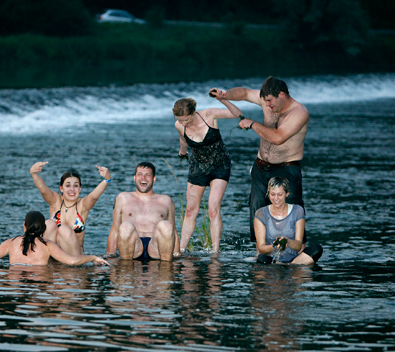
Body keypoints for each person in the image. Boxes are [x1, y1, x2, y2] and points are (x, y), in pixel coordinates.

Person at [210, 77, 309, 242]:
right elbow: (245, 93)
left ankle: (297, 254)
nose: (268, 105)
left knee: (290, 213)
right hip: (261, 166)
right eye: (265, 101)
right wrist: (226, 95)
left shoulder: (299, 112)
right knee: (257, 212)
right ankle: (260, 253)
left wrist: (252, 124)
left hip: (286, 168)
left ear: (282, 95)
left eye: (270, 101)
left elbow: (278, 138)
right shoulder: (268, 100)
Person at [173, 96, 242, 253]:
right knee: (190, 210)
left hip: (220, 165)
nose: (183, 123)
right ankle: (181, 249)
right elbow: (183, 139)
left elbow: (237, 113)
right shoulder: (179, 125)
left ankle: (215, 251)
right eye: (180, 120)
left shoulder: (209, 115)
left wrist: (223, 99)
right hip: (198, 166)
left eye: (186, 120)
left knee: (213, 208)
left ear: (193, 113)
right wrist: (182, 151)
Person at [30, 162, 111, 255]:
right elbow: (43, 190)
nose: (72, 189)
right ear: (61, 188)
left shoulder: (83, 205)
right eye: (68, 185)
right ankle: (47, 261)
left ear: (80, 189)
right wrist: (34, 174)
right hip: (54, 254)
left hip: (74, 257)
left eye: (76, 185)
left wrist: (107, 179)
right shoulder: (55, 201)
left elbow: (94, 196)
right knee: (49, 224)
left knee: (64, 230)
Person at [106, 162, 181, 261]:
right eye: (140, 174)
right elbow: (115, 229)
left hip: (157, 248)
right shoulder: (122, 198)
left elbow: (173, 231)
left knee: (166, 225)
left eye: (148, 175)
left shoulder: (166, 200)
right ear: (134, 178)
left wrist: (177, 256)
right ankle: (125, 270)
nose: (143, 178)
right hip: (132, 247)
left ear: (154, 179)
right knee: (125, 227)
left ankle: (166, 270)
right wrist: (110, 256)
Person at [0, 211, 109, 266]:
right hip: (40, 280)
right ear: (43, 229)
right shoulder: (48, 245)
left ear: (24, 227)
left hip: (16, 284)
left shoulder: (11, 242)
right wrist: (93, 257)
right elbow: (72, 261)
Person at [254, 177, 322, 265]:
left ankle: (291, 264)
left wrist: (288, 242)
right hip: (270, 259)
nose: (276, 198)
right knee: (262, 259)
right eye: (273, 194)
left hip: (293, 259)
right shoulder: (261, 213)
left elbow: (298, 245)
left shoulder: (298, 210)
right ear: (268, 194)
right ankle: (281, 265)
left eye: (280, 194)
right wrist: (274, 246)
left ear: (287, 194)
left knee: (317, 249)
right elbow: (261, 248)